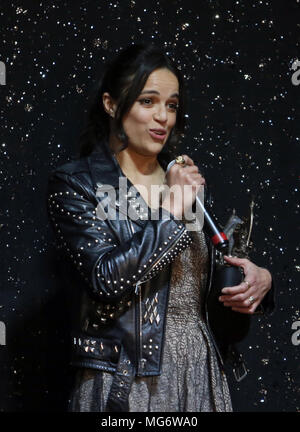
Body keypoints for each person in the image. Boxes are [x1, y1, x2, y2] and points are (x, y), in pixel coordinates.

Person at [47, 44, 275, 412]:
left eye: (171, 105)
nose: (163, 118)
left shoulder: (182, 181)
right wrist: (171, 211)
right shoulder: (79, 184)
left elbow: (200, 282)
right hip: (128, 375)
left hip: (199, 371)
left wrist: (258, 281)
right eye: (148, 101)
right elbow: (105, 279)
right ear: (111, 104)